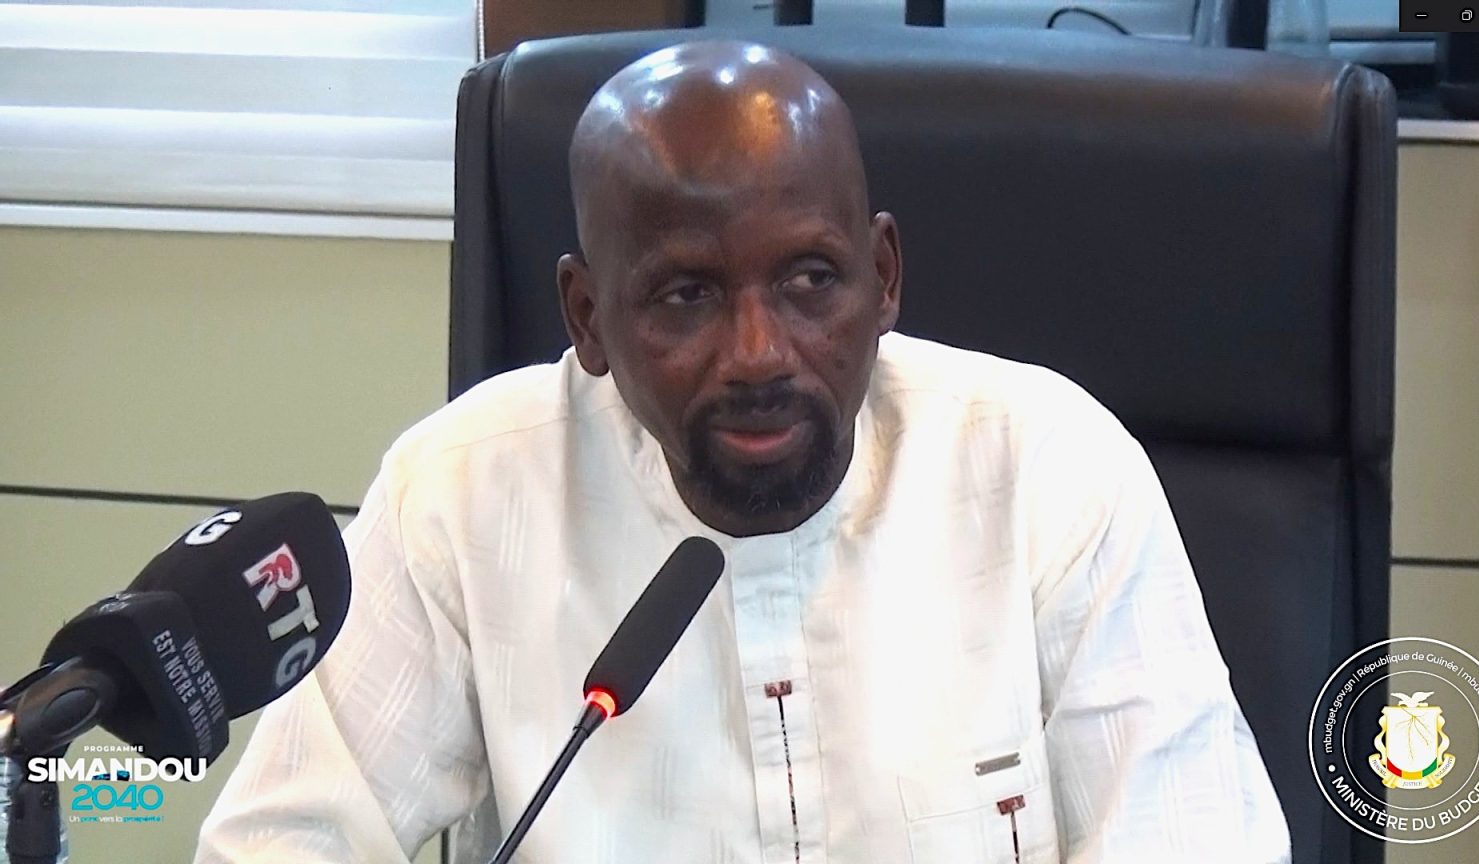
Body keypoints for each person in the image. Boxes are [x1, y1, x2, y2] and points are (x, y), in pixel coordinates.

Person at [196, 40, 1290, 863]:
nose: (760, 354)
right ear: (588, 318)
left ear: (883, 278)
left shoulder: (1048, 468)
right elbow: (280, 842)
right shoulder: (460, 496)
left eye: (810, 280)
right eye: (686, 295)